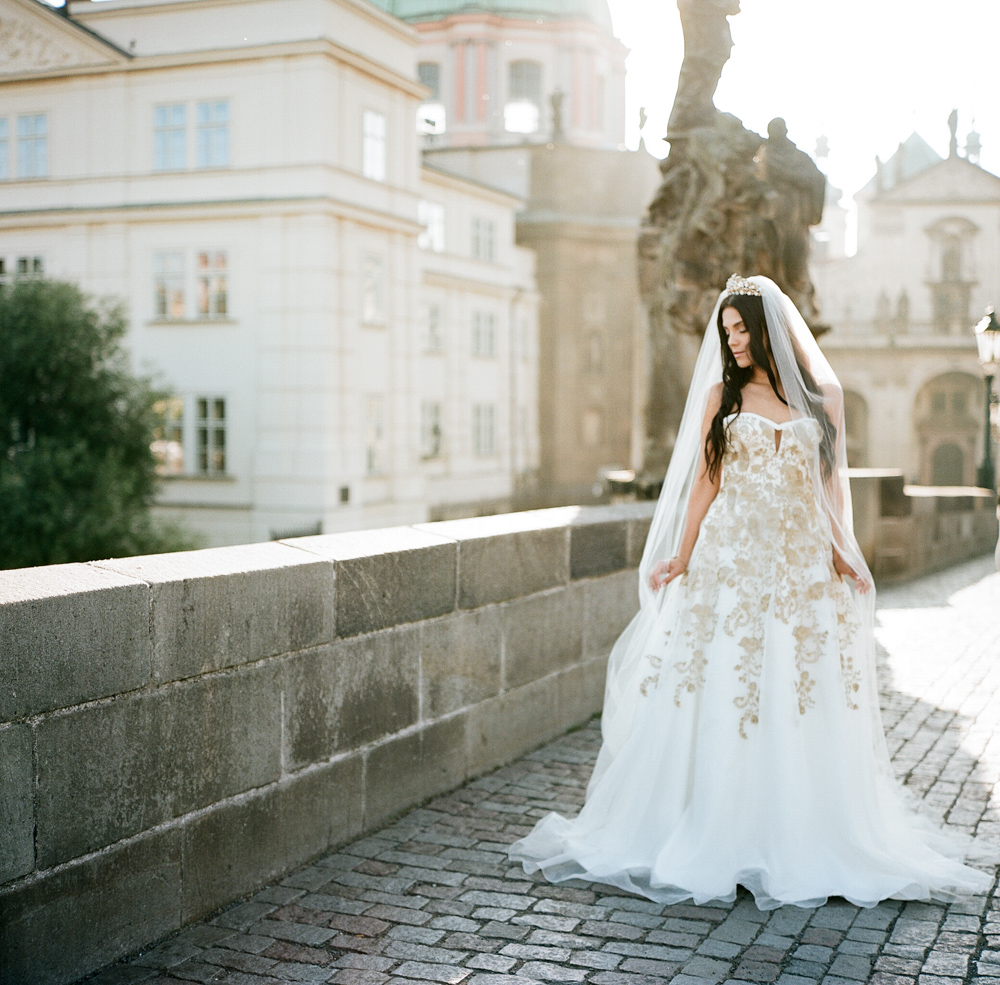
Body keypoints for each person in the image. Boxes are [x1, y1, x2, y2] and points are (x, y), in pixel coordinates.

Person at [508, 274, 990, 909]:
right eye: (726, 330)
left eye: (742, 329)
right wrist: (680, 553)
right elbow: (706, 482)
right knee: (723, 684)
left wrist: (846, 549)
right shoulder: (720, 398)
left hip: (799, 565)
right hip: (729, 561)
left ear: (769, 332)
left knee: (796, 684)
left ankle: (796, 829)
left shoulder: (824, 399)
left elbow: (831, 486)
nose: (732, 341)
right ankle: (714, 825)